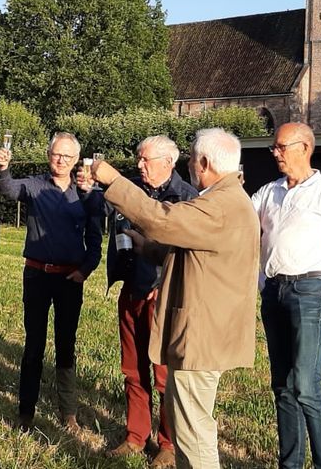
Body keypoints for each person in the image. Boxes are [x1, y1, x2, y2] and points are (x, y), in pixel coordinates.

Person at [90, 128, 259, 469]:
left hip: (200, 338)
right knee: (192, 429)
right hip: (207, 333)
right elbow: (188, 246)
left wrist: (113, 181)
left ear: (206, 162)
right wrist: (148, 249)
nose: (190, 166)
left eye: (192, 159)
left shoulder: (218, 204)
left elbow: (161, 220)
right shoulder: (230, 200)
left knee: (193, 435)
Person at [251, 122, 321, 469]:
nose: (275, 153)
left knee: (306, 385)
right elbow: (240, 223)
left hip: (311, 291)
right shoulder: (268, 192)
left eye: (281, 147)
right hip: (273, 291)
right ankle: (291, 464)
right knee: (282, 387)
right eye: (274, 147)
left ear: (305, 148)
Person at [0, 132, 104, 433]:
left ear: (76, 159)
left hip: (70, 279)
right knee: (34, 345)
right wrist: (3, 169)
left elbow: (95, 238)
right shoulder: (34, 185)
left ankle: (68, 413)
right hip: (37, 275)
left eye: (67, 156)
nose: (61, 160)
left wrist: (86, 270)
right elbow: (9, 190)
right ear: (48, 154)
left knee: (66, 345)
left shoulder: (86, 192)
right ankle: (26, 412)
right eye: (56, 154)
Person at [105, 136, 198, 468]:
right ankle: (135, 436)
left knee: (164, 375)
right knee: (132, 370)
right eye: (138, 159)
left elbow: (185, 253)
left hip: (163, 297)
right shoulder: (132, 190)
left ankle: (169, 443)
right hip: (130, 290)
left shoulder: (187, 199)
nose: (139, 164)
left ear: (168, 163)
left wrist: (159, 285)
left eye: (145, 159)